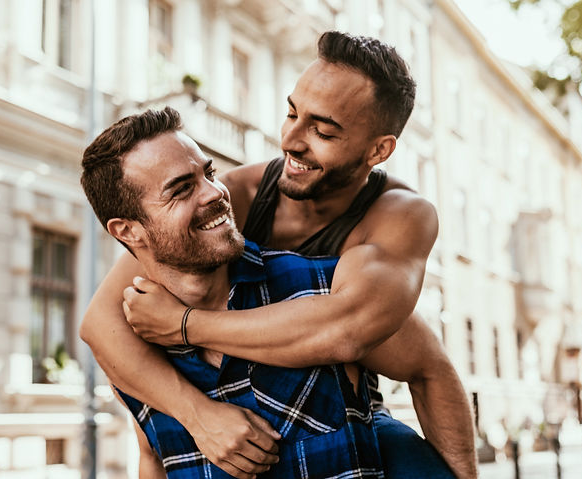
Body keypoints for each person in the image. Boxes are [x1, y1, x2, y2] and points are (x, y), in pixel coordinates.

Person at [82, 32, 477, 478]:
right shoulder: (238, 194)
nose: (290, 139)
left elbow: (351, 331)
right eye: (291, 113)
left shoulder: (399, 217)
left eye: (323, 131)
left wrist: (185, 326)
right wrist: (197, 414)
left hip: (341, 410)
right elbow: (101, 324)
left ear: (378, 150)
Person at [82, 106, 386, 478]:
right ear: (128, 232)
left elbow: (430, 370)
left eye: (208, 173)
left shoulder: (327, 283)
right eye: (181, 189)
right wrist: (196, 413)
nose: (214, 192)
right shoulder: (135, 357)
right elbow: (152, 458)